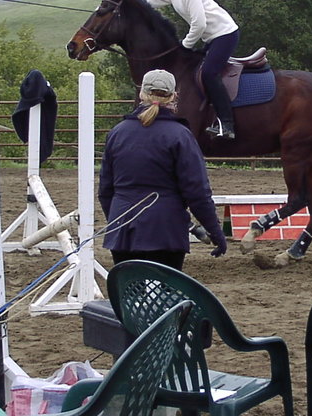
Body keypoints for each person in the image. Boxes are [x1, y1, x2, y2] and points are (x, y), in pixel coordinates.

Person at [98, 69, 229, 270]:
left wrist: (117, 220)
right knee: (164, 290)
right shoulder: (180, 135)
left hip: (123, 230)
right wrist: (215, 231)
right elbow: (197, 192)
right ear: (173, 96)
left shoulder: (117, 133)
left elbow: (105, 191)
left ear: (141, 93)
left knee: (130, 289)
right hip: (166, 231)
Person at [144, 0, 240, 139]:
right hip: (212, 37)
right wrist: (125, 2)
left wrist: (185, 45)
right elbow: (153, 0)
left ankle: (226, 124)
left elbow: (200, 24)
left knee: (209, 73)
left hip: (225, 35)